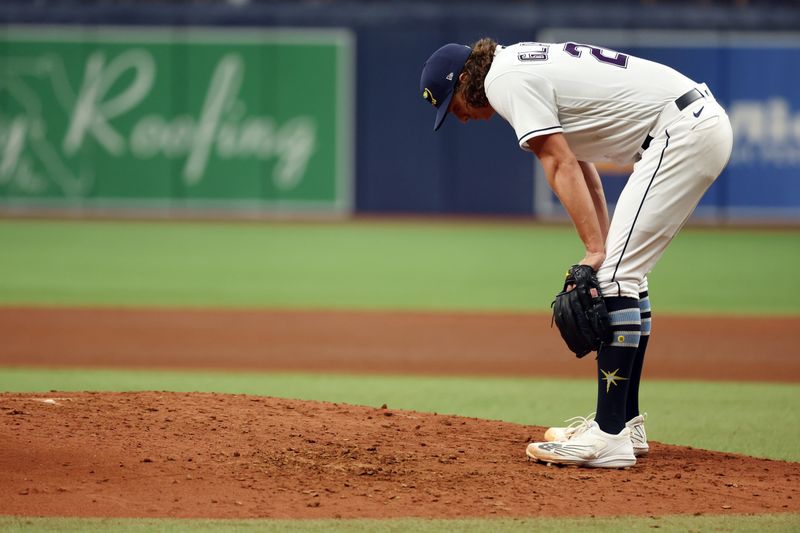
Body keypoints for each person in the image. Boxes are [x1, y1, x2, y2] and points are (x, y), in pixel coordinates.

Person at [419, 39, 732, 468]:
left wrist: (595, 252)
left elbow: (557, 163)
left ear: (465, 80)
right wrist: (601, 249)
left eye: (451, 104)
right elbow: (581, 168)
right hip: (691, 124)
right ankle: (624, 423)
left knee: (617, 278)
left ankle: (608, 437)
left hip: (680, 132)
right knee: (623, 275)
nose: (458, 116)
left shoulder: (504, 79)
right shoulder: (517, 66)